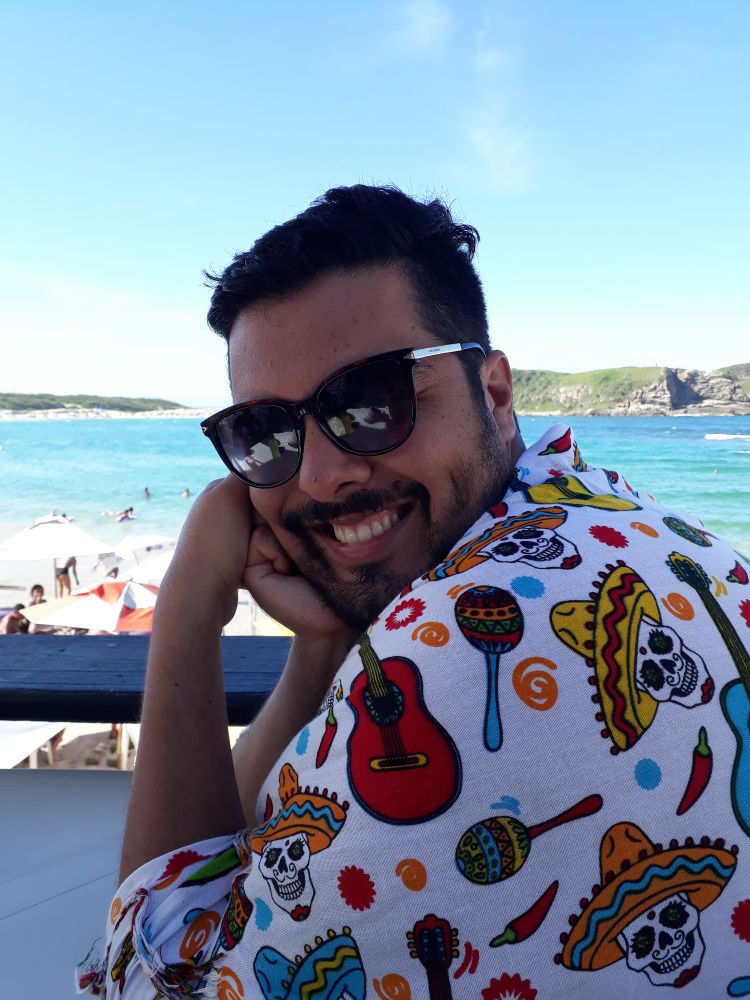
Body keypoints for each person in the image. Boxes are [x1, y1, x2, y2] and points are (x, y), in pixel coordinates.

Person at [77, 187, 750, 998]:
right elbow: (260, 841)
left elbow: (142, 978)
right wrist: (324, 648)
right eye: (265, 432)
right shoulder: (625, 519)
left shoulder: (454, 651)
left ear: (494, 396)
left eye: (372, 402)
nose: (323, 474)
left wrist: (188, 608)